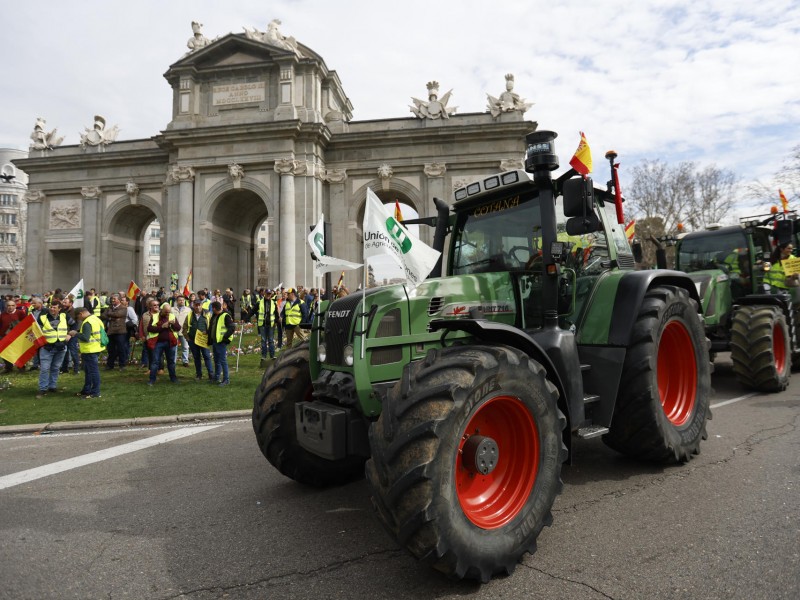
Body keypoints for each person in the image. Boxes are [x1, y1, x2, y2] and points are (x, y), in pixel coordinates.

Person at [36, 300, 75, 398]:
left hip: (61, 347)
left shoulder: (64, 316)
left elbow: (75, 325)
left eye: (54, 307)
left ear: (59, 309)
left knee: (56, 368)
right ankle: (43, 388)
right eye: (51, 307)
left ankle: (52, 386)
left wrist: (70, 335)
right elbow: (36, 331)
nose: (52, 309)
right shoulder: (42, 318)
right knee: (45, 369)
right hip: (47, 348)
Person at [71, 306, 103, 398]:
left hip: (89, 350)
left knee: (92, 372)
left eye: (77, 317)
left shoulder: (87, 322)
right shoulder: (96, 319)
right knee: (89, 371)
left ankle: (95, 392)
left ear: (81, 314)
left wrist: (75, 333)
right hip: (96, 348)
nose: (78, 320)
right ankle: (87, 390)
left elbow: (85, 337)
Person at [146, 303, 181, 385]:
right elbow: (149, 328)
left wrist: (173, 324)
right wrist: (162, 326)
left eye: (169, 312)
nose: (167, 314)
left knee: (171, 362)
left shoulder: (172, 316)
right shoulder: (155, 316)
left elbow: (178, 328)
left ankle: (173, 378)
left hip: (170, 343)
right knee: (155, 362)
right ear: (162, 310)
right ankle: (152, 380)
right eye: (166, 312)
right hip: (158, 343)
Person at [184, 298, 214, 381]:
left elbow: (212, 326)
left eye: (199, 305)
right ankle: (199, 374)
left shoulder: (208, 314)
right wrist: (187, 339)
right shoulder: (190, 315)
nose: (197, 307)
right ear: (193, 306)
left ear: (201, 305)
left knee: (207, 356)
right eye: (196, 305)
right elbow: (185, 327)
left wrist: (208, 333)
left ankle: (211, 375)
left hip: (204, 340)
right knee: (196, 357)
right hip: (193, 340)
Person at [208, 301, 233, 386]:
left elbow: (232, 327)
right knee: (217, 360)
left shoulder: (225, 316)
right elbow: (212, 327)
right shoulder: (215, 316)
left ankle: (226, 379)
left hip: (221, 342)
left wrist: (225, 338)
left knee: (222, 360)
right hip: (215, 341)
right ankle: (217, 377)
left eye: (212, 308)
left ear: (214, 308)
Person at [103, 294, 128, 371]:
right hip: (110, 331)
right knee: (111, 349)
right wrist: (112, 317)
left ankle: (122, 365)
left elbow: (118, 314)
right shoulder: (109, 308)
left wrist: (110, 315)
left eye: (114, 299)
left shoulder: (123, 308)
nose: (112, 300)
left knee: (121, 348)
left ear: (119, 300)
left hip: (120, 331)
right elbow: (103, 315)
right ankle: (110, 365)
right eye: (112, 299)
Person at [1, 299, 26, 373]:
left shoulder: (20, 313)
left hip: (17, 337)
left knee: (19, 352)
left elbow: (25, 323)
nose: (10, 307)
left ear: (15, 306)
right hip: (4, 336)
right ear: (6, 306)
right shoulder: (3, 314)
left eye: (12, 305)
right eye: (8, 305)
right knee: (5, 352)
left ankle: (21, 367)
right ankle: (8, 367)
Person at [59, 295, 81, 374]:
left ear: (71, 303)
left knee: (73, 351)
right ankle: (64, 368)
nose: (63, 304)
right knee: (65, 351)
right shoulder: (61, 311)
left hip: (72, 334)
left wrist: (70, 334)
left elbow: (77, 324)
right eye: (63, 302)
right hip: (63, 334)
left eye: (65, 302)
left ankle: (76, 369)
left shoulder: (75, 312)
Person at [256, 288, 277, 367]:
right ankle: (263, 357)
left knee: (271, 341)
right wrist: (245, 318)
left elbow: (276, 313)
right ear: (264, 294)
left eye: (269, 294)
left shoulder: (273, 303)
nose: (268, 295)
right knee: (263, 341)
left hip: (271, 324)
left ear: (271, 295)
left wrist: (278, 320)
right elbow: (253, 310)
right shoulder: (260, 302)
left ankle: (272, 356)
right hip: (262, 324)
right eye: (267, 294)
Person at [171, 295, 191, 366]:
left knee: (185, 346)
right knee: (174, 346)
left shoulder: (188, 310)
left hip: (184, 331)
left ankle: (185, 361)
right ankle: (173, 361)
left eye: (183, 300)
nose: (182, 301)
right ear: (177, 301)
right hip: (174, 331)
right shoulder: (172, 309)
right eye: (180, 300)